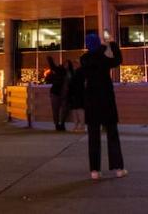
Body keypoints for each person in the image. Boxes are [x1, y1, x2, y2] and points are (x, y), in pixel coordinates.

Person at [79, 30, 126, 179]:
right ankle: (118, 168)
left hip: (91, 102)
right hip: (106, 100)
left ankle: (95, 170)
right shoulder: (104, 58)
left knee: (93, 136)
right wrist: (111, 42)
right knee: (112, 134)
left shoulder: (84, 60)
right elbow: (118, 60)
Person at [45, 56, 68, 130]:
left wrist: (50, 60)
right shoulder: (61, 70)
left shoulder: (68, 72)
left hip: (60, 92)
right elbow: (53, 66)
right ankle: (59, 124)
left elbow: (52, 66)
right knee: (57, 109)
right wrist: (50, 60)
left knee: (59, 109)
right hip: (57, 92)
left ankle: (60, 123)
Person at [66, 60, 85, 131]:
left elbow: (77, 83)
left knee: (79, 109)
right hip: (74, 93)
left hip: (78, 93)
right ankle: (77, 125)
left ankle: (81, 125)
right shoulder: (74, 72)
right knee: (75, 110)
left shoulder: (79, 72)